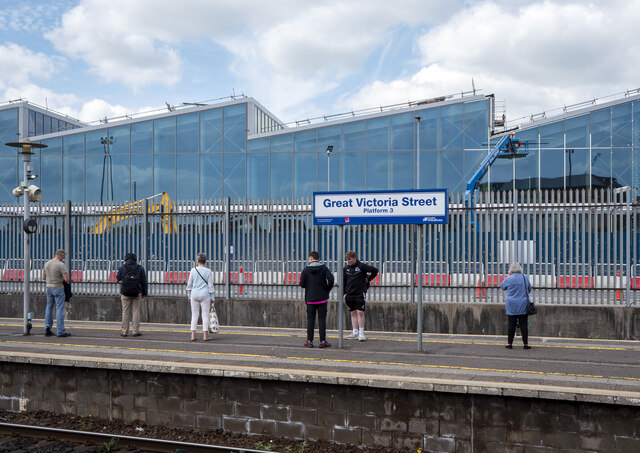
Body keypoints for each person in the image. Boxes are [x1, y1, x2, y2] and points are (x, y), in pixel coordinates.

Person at [299, 251, 335, 348]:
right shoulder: (324, 268)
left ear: (310, 258)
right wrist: (327, 289)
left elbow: (301, 283)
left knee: (310, 320)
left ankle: (309, 341)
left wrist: (309, 286)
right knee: (321, 319)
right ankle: (322, 341)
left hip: (310, 299)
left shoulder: (306, 270)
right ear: (318, 258)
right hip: (322, 298)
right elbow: (331, 279)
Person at [343, 250, 378, 341]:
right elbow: (344, 281)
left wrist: (368, 279)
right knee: (353, 313)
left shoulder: (361, 266)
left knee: (360, 312)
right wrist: (344, 294)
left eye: (350, 259)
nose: (348, 261)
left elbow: (375, 270)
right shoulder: (345, 268)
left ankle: (361, 333)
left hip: (359, 293)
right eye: (347, 259)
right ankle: (355, 332)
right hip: (349, 294)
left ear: (354, 258)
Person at [500, 261, 532, 350]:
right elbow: (529, 289)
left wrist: (508, 276)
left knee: (511, 325)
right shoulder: (524, 277)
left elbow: (502, 287)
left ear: (510, 270)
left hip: (511, 305)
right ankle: (525, 344)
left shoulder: (509, 278)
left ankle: (509, 343)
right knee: (523, 325)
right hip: (523, 304)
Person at [116, 253, 148, 337]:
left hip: (125, 293)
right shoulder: (140, 268)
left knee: (125, 312)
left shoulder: (123, 267)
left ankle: (124, 331)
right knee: (136, 312)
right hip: (137, 293)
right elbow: (144, 282)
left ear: (126, 259)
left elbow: (118, 278)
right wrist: (144, 293)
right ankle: (135, 331)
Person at [186, 253, 215, 341]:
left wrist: (189, 296)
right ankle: (205, 336)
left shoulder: (193, 270)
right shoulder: (208, 271)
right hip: (205, 295)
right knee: (205, 315)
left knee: (194, 315)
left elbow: (189, 284)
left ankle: (193, 335)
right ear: (205, 261)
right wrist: (212, 298)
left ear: (197, 261)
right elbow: (210, 286)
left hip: (194, 295)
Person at [42, 249, 71, 337]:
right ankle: (60, 331)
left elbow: (44, 277)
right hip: (58, 288)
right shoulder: (60, 265)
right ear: (61, 255)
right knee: (59, 309)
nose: (63, 258)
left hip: (49, 288)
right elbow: (66, 279)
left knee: (49, 307)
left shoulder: (47, 263)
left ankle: (47, 328)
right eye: (63, 257)